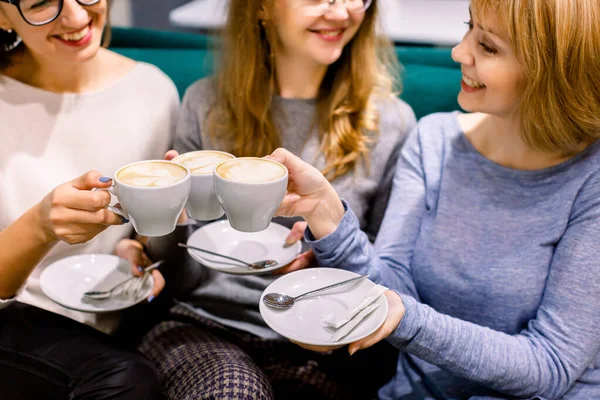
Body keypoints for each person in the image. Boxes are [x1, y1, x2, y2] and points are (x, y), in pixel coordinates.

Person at [267, 0, 600, 398]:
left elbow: (550, 365)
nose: (459, 52)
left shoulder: (591, 179)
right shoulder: (432, 142)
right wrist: (327, 214)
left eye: (488, 47)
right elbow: (390, 286)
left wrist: (409, 320)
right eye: (468, 27)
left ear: (554, 72)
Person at [136, 0, 416, 398]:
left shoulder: (391, 122)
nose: (341, 13)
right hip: (204, 325)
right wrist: (171, 219)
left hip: (321, 338)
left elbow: (389, 279)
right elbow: (181, 279)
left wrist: (326, 258)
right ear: (261, 8)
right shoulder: (206, 104)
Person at [0, 0, 178, 398]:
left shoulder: (153, 91)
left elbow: (148, 237)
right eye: (42, 3)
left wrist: (141, 250)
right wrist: (40, 225)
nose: (77, 18)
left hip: (110, 325)